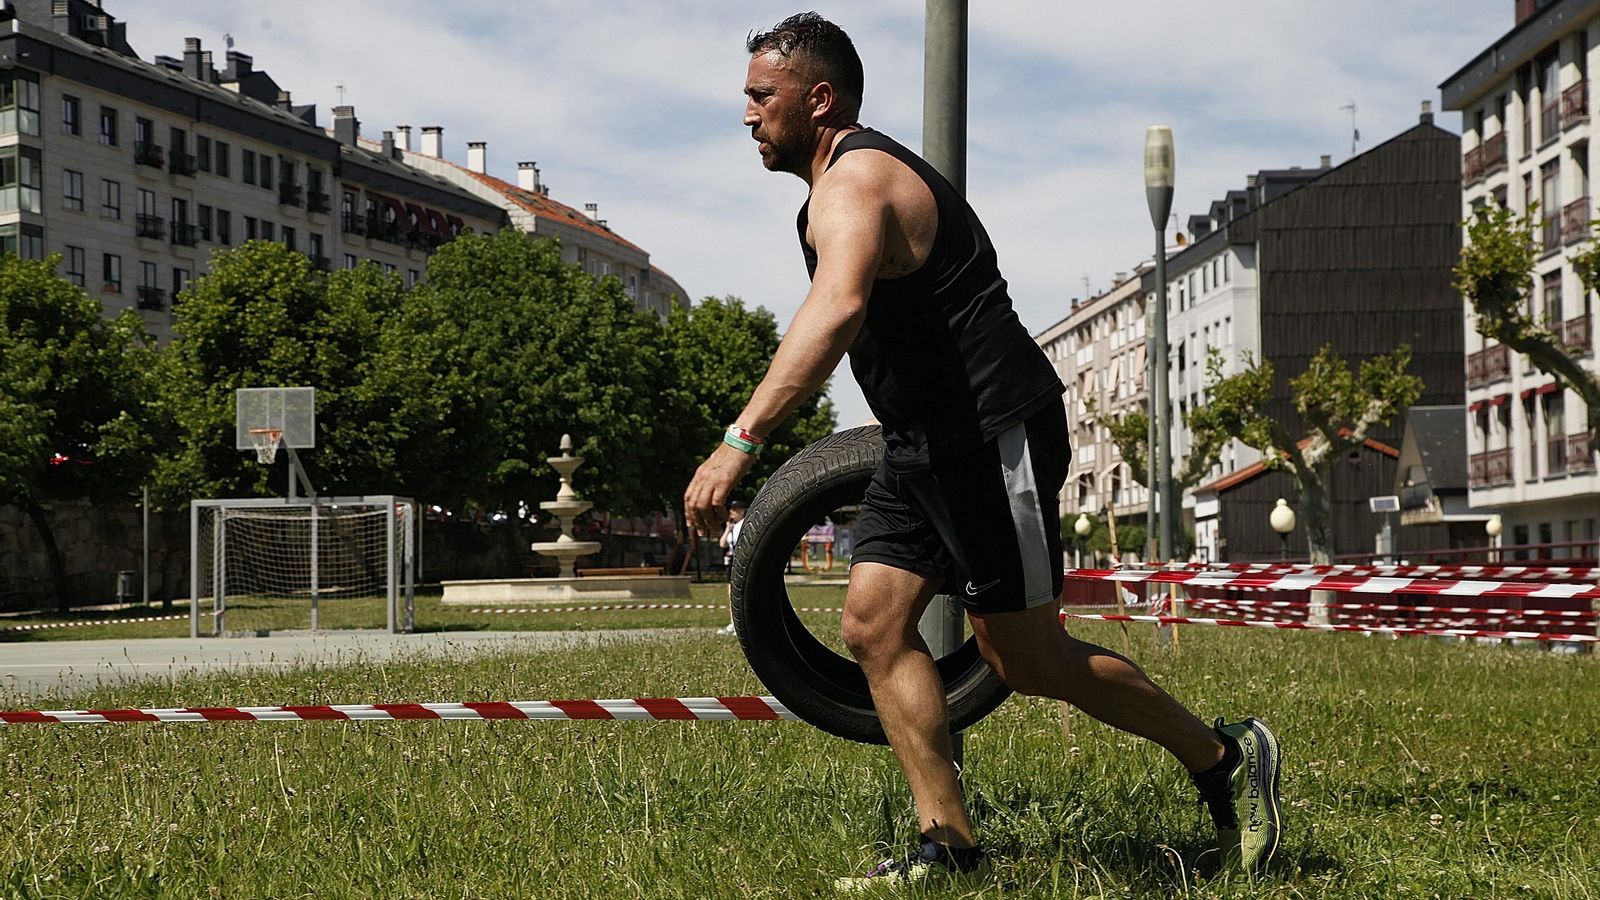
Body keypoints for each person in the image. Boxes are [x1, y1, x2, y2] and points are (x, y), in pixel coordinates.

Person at [683, 12, 1282, 889]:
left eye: (759, 96)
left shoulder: (855, 180)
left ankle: (1226, 756)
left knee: (1024, 658)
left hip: (987, 435)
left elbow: (838, 306)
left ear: (819, 99)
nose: (746, 114)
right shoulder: (841, 181)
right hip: (920, 443)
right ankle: (948, 846)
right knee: (874, 626)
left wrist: (740, 442)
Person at [718, 500, 748, 634]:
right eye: (731, 509)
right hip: (731, 561)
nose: (731, 512)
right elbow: (722, 544)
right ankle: (733, 622)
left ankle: (741, 624)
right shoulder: (732, 526)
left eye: (735, 509)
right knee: (731, 592)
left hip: (740, 560)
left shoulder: (745, 525)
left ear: (742, 511)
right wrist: (727, 529)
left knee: (741, 593)